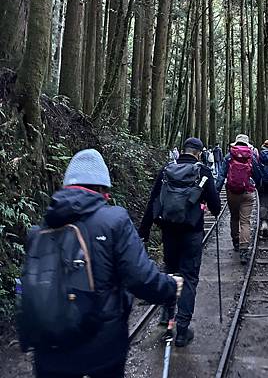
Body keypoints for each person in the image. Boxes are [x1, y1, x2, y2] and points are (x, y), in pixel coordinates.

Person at [22, 149, 182, 378]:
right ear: (102, 188)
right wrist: (169, 287)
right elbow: (140, 278)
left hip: (48, 349)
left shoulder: (40, 230)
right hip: (100, 348)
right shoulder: (114, 220)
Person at [139, 137, 221, 347]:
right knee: (189, 278)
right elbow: (215, 205)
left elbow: (153, 200)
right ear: (199, 153)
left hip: (169, 233)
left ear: (183, 151)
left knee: (170, 272)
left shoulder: (167, 170)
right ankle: (182, 331)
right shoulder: (202, 171)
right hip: (192, 234)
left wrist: (145, 230)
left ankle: (166, 318)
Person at [216, 134, 260, 265]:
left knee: (234, 217)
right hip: (247, 192)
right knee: (245, 221)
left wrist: (215, 192)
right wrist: (256, 185)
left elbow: (221, 176)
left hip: (232, 192)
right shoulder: (251, 156)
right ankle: (244, 250)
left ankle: (236, 242)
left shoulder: (229, 156)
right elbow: (258, 174)